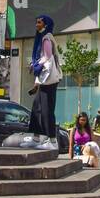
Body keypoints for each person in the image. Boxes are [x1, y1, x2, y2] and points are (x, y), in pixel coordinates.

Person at [25, 15, 61, 150]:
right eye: (36, 22)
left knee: (46, 110)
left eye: (39, 22)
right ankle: (36, 138)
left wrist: (35, 65)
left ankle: (52, 140)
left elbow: (47, 57)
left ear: (45, 24)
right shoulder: (43, 37)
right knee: (36, 108)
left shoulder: (46, 38)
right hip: (44, 80)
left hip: (49, 81)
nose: (36, 24)